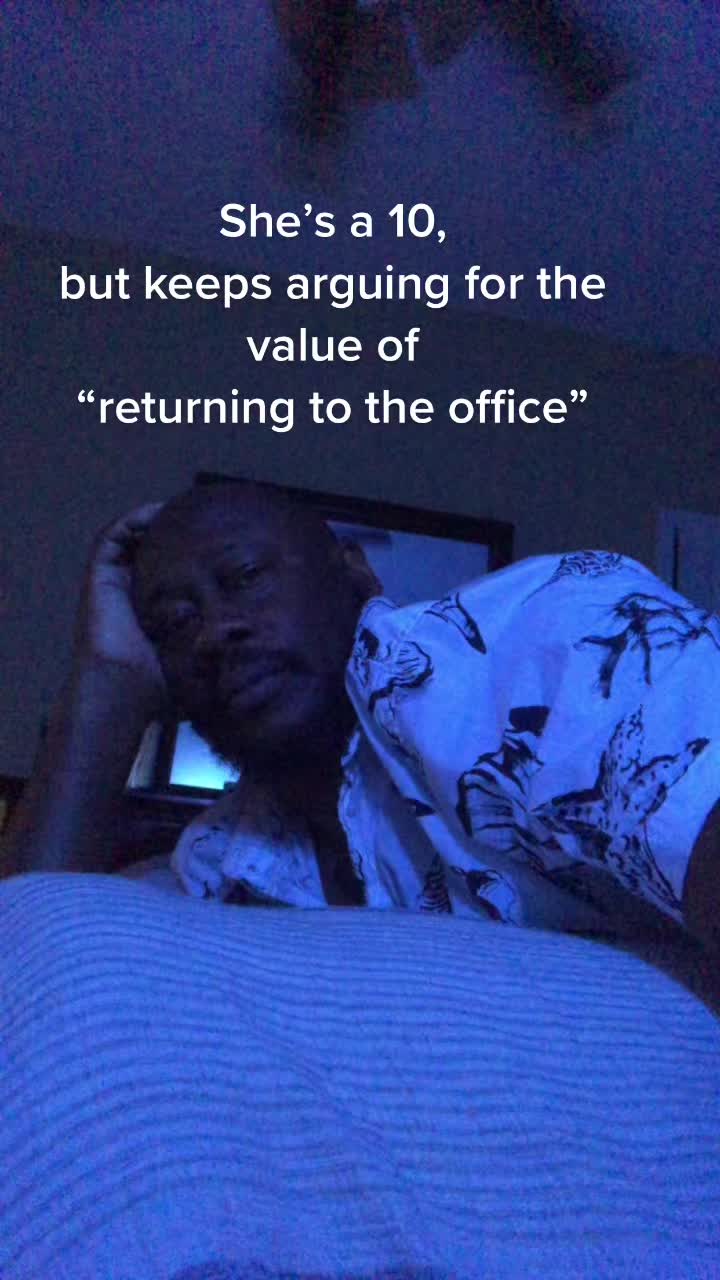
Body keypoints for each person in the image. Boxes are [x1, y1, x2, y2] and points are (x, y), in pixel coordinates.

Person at [2, 481, 719, 959]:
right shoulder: (220, 858)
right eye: (173, 623)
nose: (213, 632)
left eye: (245, 577)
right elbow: (22, 971)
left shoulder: (541, 647)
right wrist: (105, 682)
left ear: (354, 574)